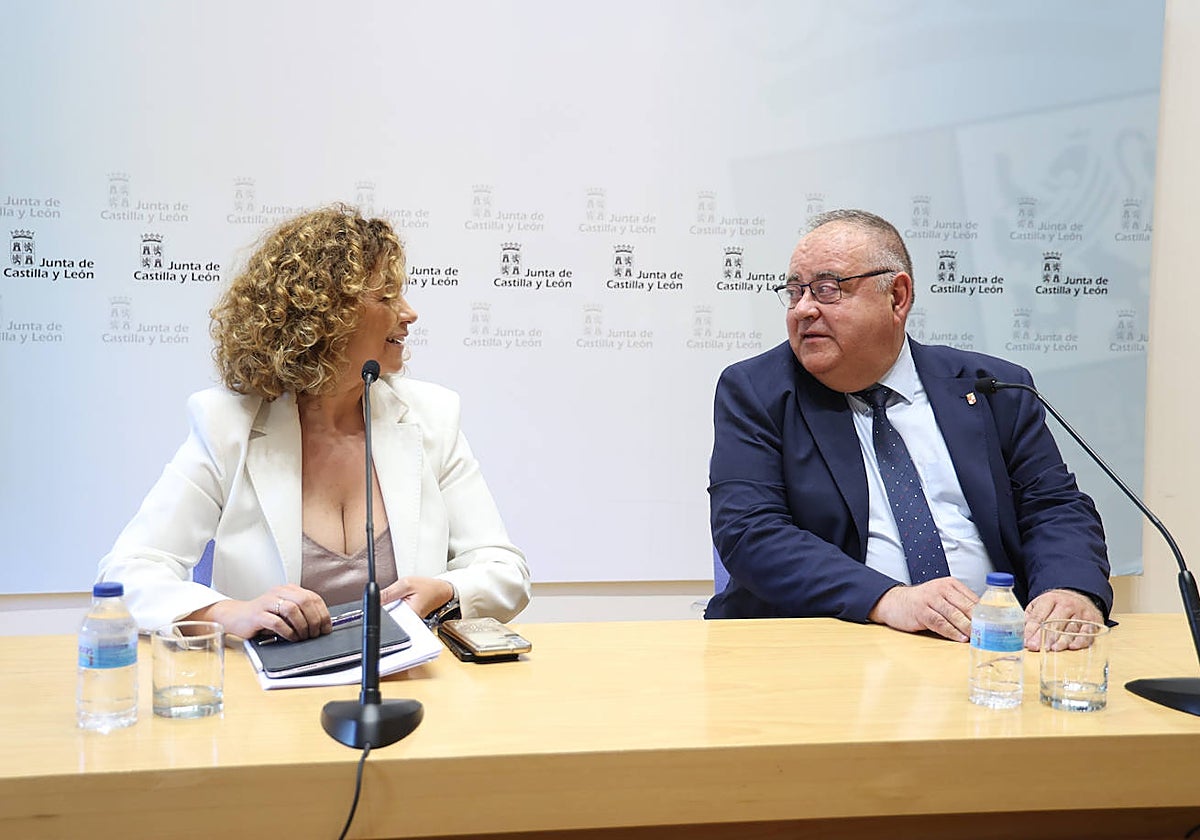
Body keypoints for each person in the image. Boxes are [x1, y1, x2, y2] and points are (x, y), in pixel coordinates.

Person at [98, 204, 530, 639]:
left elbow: (504, 570)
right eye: (386, 297)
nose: (409, 313)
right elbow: (127, 573)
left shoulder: (432, 415)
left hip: (409, 688)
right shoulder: (227, 424)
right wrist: (231, 613)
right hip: (273, 696)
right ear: (325, 315)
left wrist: (447, 589)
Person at [706, 209, 1111, 650]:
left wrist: (1069, 589)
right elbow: (751, 533)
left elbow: (1054, 506)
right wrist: (887, 598)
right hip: (835, 645)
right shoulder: (757, 391)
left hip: (996, 647)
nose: (804, 308)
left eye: (826, 289)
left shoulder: (993, 388)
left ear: (897, 297)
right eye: (794, 291)